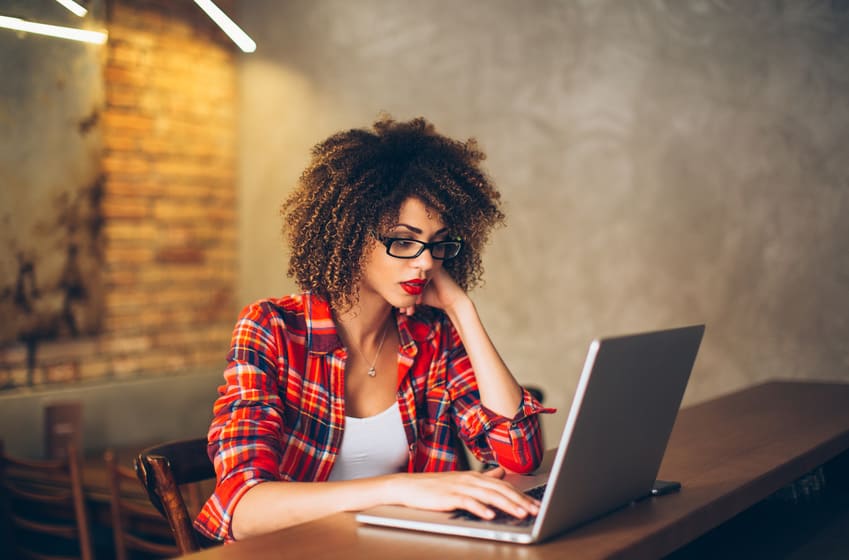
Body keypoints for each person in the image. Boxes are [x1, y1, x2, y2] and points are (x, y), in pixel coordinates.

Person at [195, 116, 552, 543]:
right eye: (403, 241)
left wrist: (462, 309)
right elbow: (241, 508)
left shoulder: (432, 335)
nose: (426, 262)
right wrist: (400, 488)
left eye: (438, 243)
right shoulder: (271, 328)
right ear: (348, 235)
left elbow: (520, 456)